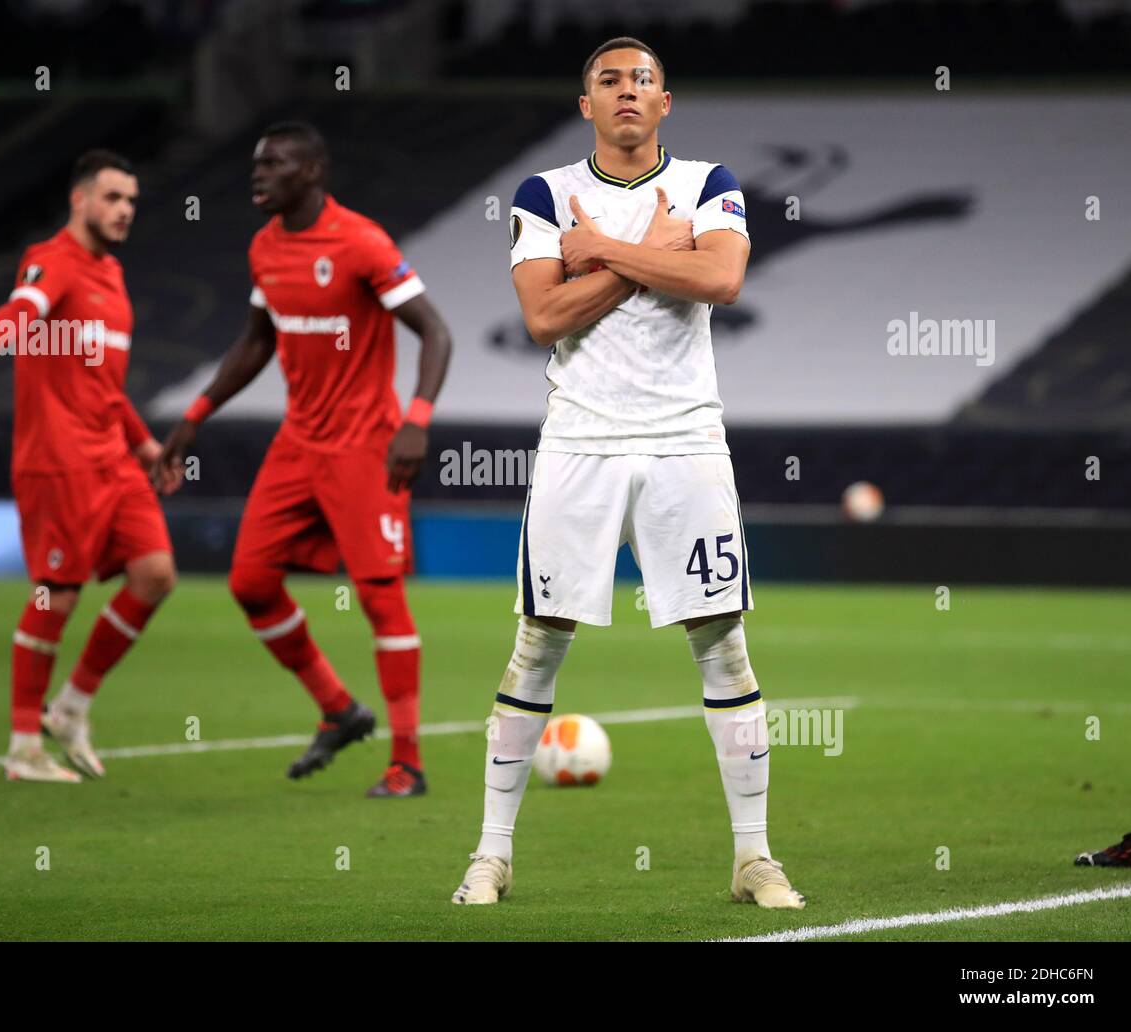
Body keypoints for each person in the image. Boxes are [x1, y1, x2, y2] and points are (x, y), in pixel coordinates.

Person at [451, 38, 804, 908]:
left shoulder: (711, 183)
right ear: (587, 105)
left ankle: (754, 858)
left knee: (722, 640)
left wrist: (599, 251)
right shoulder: (544, 193)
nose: (627, 93)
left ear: (666, 101)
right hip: (582, 444)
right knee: (540, 641)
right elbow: (542, 315)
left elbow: (720, 278)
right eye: (609, 81)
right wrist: (650, 251)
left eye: (643, 80)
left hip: (687, 441)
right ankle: (490, 856)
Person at [155, 122, 452, 798]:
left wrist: (417, 420)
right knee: (250, 584)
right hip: (298, 444)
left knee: (381, 599)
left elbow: (436, 331)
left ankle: (407, 762)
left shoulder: (362, 243)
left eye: (275, 164)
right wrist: (194, 416)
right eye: (256, 164)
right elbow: (257, 340)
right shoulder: (266, 247)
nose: (259, 175)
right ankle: (339, 709)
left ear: (313, 171)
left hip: (366, 448)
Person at [0, 150, 176, 783]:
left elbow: (105, 385)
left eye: (131, 200)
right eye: (112, 197)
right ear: (80, 199)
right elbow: (23, 310)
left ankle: (71, 707)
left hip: (113, 459)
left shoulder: (114, 277)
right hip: (58, 461)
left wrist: (145, 445)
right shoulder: (52, 261)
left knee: (155, 574)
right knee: (58, 595)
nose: (124, 209)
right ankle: (23, 746)